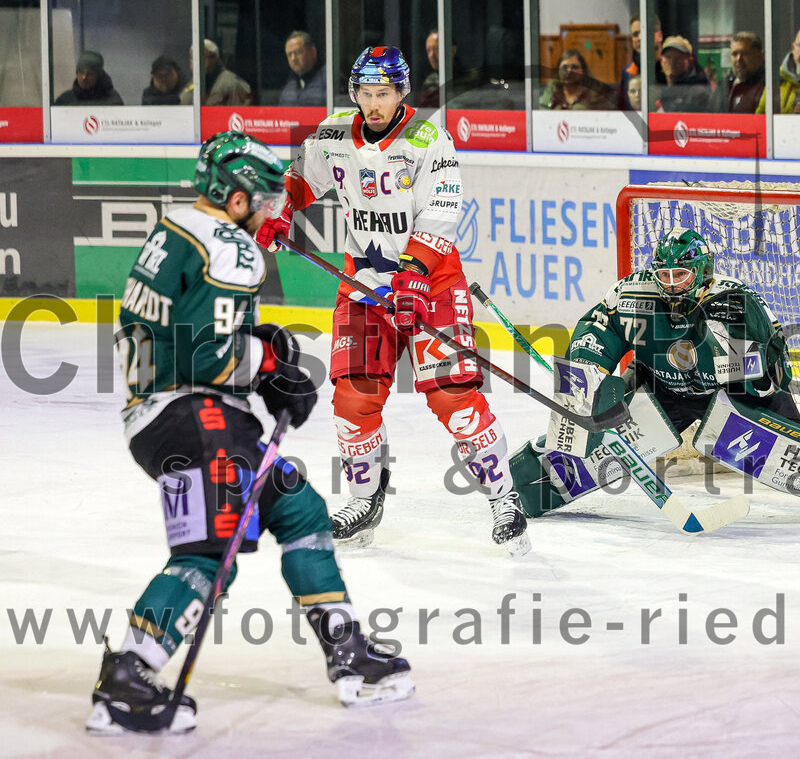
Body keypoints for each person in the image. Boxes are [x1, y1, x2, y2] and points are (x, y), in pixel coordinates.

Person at [86, 131, 413, 735]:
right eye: (261, 200)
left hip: (166, 416)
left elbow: (187, 329)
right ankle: (127, 676)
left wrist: (260, 350)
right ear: (234, 199)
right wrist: (270, 366)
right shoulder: (230, 247)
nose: (267, 212)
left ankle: (346, 649)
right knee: (210, 551)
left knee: (299, 508)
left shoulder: (176, 228)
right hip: (194, 416)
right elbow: (202, 353)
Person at [254, 46, 531, 556]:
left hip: (434, 287)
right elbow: (297, 180)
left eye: (383, 93)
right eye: (365, 93)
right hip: (363, 289)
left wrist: (415, 276)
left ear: (402, 92)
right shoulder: (334, 134)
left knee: (454, 399)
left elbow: (442, 210)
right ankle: (365, 499)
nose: (373, 103)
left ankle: (504, 498)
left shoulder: (428, 139)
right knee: (353, 399)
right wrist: (277, 211)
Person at [508, 228, 800, 529]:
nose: (670, 284)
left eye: (680, 275)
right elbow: (600, 326)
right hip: (661, 388)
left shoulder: (735, 302)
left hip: (733, 394)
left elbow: (773, 370)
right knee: (595, 427)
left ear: (701, 272)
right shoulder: (632, 294)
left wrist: (742, 368)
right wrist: (587, 373)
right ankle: (529, 482)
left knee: (788, 453)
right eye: (664, 275)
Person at [182, 39, 252, 106]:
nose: (195, 63)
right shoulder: (194, 83)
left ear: (214, 58)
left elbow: (241, 111)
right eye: (193, 58)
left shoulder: (232, 83)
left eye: (200, 58)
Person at [539, 48, 616, 110]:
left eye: (574, 67)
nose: (569, 71)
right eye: (564, 67)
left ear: (584, 71)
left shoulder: (596, 93)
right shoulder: (551, 91)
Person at [617, 13, 666, 110]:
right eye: (635, 34)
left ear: (659, 36)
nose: (640, 38)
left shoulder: (670, 69)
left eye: (645, 32)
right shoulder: (627, 73)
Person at [712, 31, 766, 113]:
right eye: (734, 54)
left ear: (760, 56)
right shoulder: (723, 86)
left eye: (745, 54)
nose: (739, 59)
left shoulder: (768, 86)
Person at [654, 36, 711, 113]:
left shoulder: (697, 91)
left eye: (678, 57)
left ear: (690, 60)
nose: (672, 62)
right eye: (668, 56)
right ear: (661, 60)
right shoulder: (656, 85)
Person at [415, 29, 469, 107]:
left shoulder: (469, 79)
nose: (431, 55)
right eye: (428, 50)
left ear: (452, 50)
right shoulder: (429, 82)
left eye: (436, 49)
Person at [54, 50, 124, 106]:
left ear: (99, 75)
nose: (84, 77)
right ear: (76, 73)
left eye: (90, 74)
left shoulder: (112, 101)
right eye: (81, 72)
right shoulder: (65, 101)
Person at [279, 30, 327, 106]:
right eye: (289, 55)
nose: (293, 58)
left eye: (298, 52)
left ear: (313, 51)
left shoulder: (329, 78)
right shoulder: (289, 85)